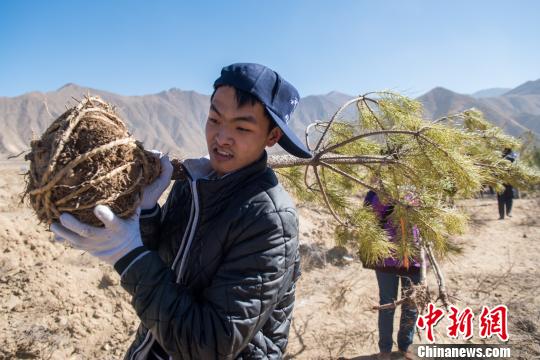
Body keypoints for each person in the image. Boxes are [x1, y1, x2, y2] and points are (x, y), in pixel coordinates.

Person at [51, 63, 312, 359]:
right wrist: (145, 215)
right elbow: (167, 265)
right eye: (214, 118)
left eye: (242, 127)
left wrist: (127, 255)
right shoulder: (194, 183)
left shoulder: (270, 219)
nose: (221, 136)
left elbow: (210, 344)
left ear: (272, 137)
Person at [363, 190, 422, 360]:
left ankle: (406, 345)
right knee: (387, 305)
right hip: (385, 259)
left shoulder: (416, 186)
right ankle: (385, 349)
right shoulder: (375, 192)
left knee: (411, 305)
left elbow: (427, 220)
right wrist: (383, 198)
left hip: (412, 258)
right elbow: (368, 217)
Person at [497, 148, 516, 220]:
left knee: (504, 198)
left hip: (505, 182)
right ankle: (506, 213)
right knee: (507, 198)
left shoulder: (500, 158)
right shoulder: (512, 158)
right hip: (505, 181)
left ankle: (505, 214)